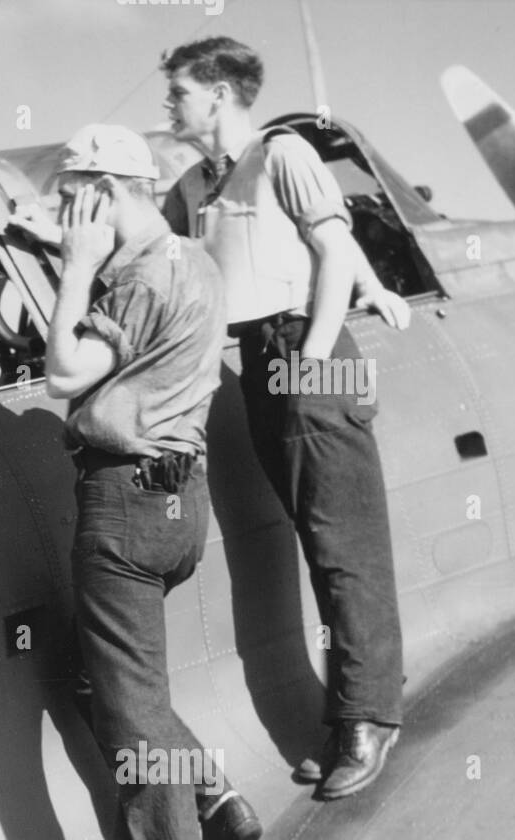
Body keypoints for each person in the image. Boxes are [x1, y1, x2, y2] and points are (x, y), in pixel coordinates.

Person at [159, 37, 407, 800]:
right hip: (258, 357)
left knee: (343, 546)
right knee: (314, 539)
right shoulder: (195, 183)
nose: (167, 105)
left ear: (221, 94)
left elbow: (335, 252)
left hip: (306, 346)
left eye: (178, 93)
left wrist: (312, 360)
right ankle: (346, 716)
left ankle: (369, 720)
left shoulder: (283, 152)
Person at [44, 124, 261, 840]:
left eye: (72, 191)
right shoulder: (195, 261)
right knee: (120, 683)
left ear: (103, 189)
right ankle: (214, 799)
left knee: (132, 722)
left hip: (123, 503)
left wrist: (71, 266)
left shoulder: (133, 275)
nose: (64, 207)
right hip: (179, 503)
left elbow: (64, 372)